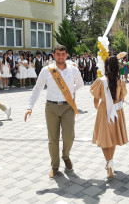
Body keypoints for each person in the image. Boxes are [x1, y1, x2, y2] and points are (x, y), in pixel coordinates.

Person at [24, 45, 84, 179]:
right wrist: (30, 106)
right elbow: (37, 88)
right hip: (51, 108)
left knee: (69, 136)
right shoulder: (47, 70)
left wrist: (70, 92)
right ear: (53, 55)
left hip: (68, 107)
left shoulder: (73, 70)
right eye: (58, 54)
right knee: (53, 139)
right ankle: (55, 165)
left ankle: (66, 156)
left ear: (67, 55)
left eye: (63, 54)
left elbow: (80, 84)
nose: (61, 56)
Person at [90, 55, 128, 177]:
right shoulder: (121, 82)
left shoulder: (100, 81)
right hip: (117, 112)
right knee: (113, 137)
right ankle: (110, 163)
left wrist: (98, 108)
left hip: (104, 111)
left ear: (106, 67)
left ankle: (109, 163)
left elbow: (96, 101)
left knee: (105, 138)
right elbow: (122, 98)